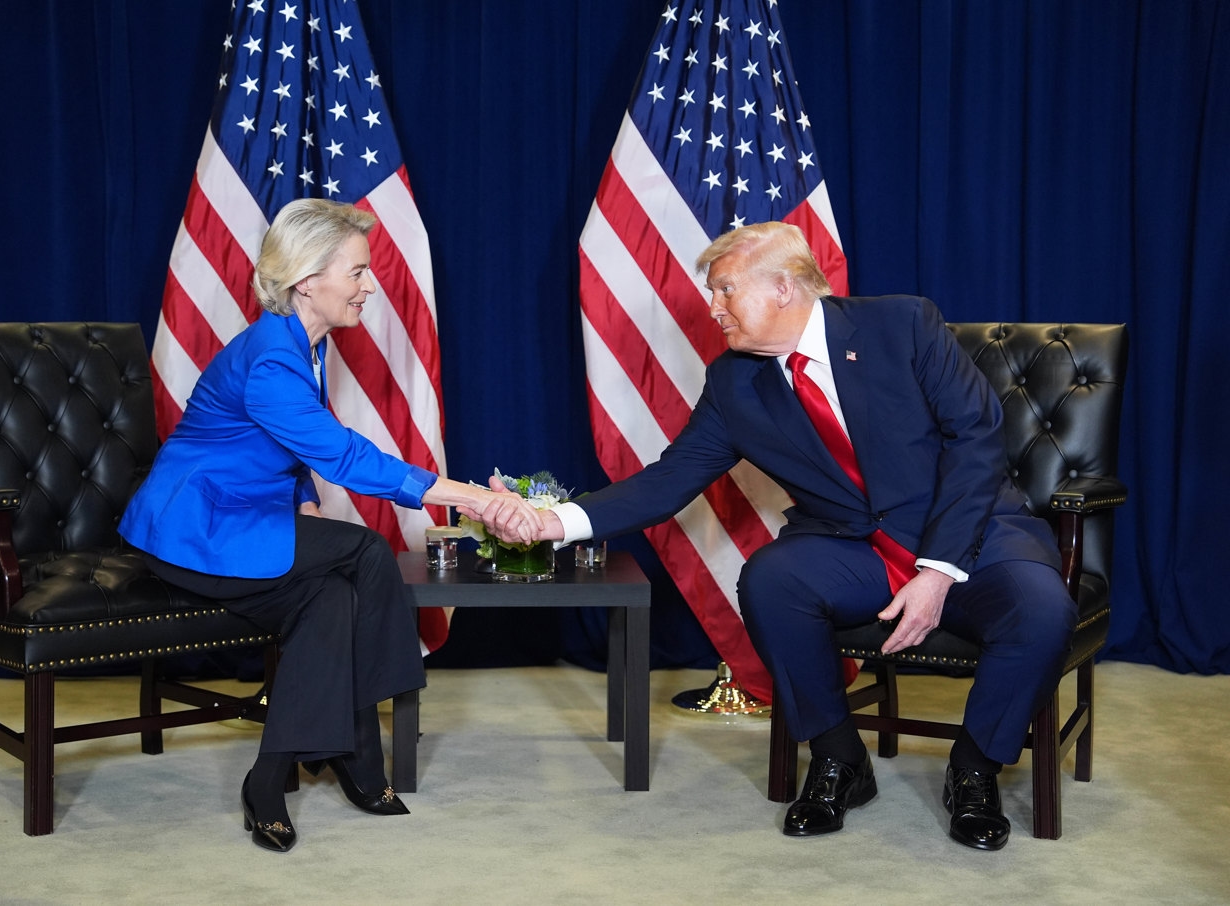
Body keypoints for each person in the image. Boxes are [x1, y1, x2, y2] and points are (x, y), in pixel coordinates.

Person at [508, 221, 1075, 851]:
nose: (712, 306)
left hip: (969, 538)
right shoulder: (733, 382)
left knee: (1043, 610)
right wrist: (553, 521)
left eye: (724, 290)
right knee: (772, 578)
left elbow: (976, 441)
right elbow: (668, 481)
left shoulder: (903, 325)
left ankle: (974, 771)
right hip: (854, 548)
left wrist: (939, 569)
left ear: (783, 286)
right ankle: (839, 760)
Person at [119, 198, 543, 853]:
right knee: (367, 552)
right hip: (195, 536)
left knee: (332, 597)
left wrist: (305, 495)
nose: (370, 285)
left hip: (241, 523)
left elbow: (278, 443)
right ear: (306, 279)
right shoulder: (273, 358)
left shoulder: (296, 345)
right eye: (357, 272)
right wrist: (476, 502)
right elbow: (343, 453)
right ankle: (360, 755)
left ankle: (268, 780)